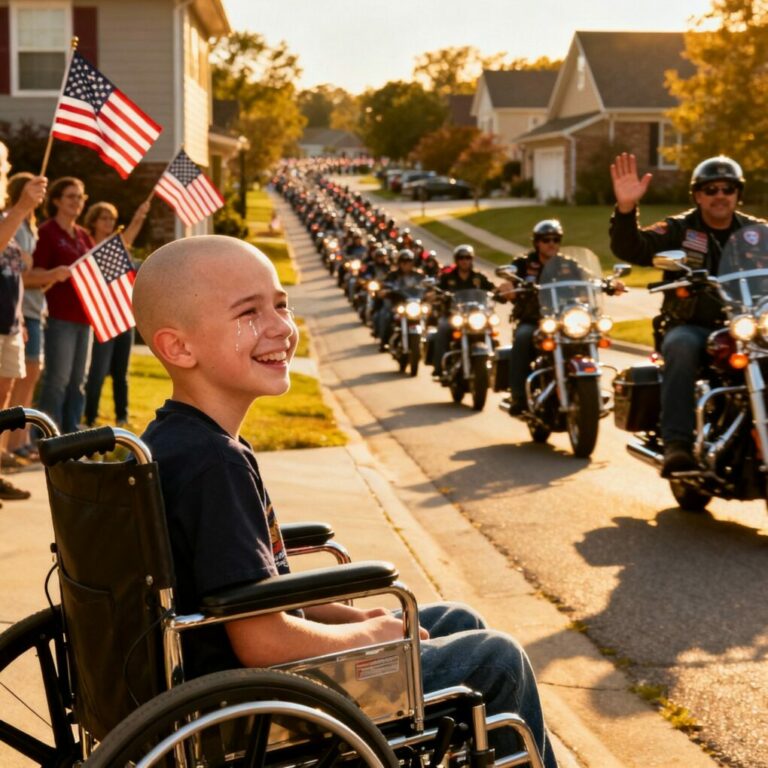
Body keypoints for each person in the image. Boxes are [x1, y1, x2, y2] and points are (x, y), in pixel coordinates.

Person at [135, 235, 558, 767]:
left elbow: (252, 590)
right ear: (178, 347)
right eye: (248, 312)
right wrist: (364, 633)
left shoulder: (179, 440)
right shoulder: (212, 463)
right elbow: (260, 638)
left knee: (455, 619)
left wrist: (347, 616)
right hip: (257, 700)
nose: (281, 328)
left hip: (233, 674)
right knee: (498, 661)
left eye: (281, 304)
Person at [609, 152, 765, 476]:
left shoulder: (757, 232)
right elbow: (633, 247)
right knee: (680, 346)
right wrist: (626, 210)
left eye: (727, 188)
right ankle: (676, 444)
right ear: (697, 195)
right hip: (692, 325)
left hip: (748, 325)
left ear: (738, 193)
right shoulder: (679, 230)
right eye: (711, 189)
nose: (720, 195)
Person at [0, 143, 49, 500]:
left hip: (10, 323)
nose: (7, 168)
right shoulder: (11, 217)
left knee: (3, 401)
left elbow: (13, 276)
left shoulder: (9, 217)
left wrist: (19, 320)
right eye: (4, 164)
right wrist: (23, 207)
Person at [31, 177, 94, 434]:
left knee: (78, 381)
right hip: (58, 317)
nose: (76, 202)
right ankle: (48, 434)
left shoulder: (83, 236)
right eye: (71, 196)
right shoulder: (46, 233)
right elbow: (33, 274)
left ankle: (72, 433)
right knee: (57, 380)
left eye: (80, 197)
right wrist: (53, 274)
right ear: (56, 200)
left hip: (84, 318)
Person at [82, 200, 150, 427]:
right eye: (104, 218)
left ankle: (122, 417)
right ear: (93, 221)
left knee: (121, 373)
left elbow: (129, 235)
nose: (109, 223)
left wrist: (140, 215)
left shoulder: (117, 247)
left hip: (122, 317)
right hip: (102, 319)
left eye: (112, 218)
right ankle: (90, 417)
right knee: (97, 372)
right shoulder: (87, 245)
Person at [506, 220, 565, 414]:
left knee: (590, 335)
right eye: (546, 239)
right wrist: (507, 288)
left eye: (556, 239)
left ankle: (592, 389)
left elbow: (588, 278)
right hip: (533, 320)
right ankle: (519, 397)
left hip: (564, 322)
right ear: (537, 242)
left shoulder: (567, 264)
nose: (551, 244)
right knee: (522, 338)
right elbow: (508, 280)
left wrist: (609, 285)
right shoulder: (523, 263)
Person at [431, 244, 497, 379]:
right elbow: (436, 291)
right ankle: (439, 368)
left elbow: (492, 289)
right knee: (442, 328)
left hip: (476, 317)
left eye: (467, 257)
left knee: (492, 331)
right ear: (456, 260)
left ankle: (498, 367)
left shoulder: (479, 277)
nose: (464, 260)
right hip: (454, 316)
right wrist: (435, 295)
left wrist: (500, 293)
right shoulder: (447, 278)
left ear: (472, 259)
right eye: (461, 258)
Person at [374, 248, 424, 350]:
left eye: (409, 261)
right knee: (386, 316)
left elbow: (427, 286)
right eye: (403, 262)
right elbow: (385, 285)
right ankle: (383, 341)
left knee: (431, 316)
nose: (406, 264)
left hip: (414, 304)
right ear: (399, 263)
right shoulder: (392, 275)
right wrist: (385, 291)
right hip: (397, 304)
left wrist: (431, 291)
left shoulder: (418, 275)